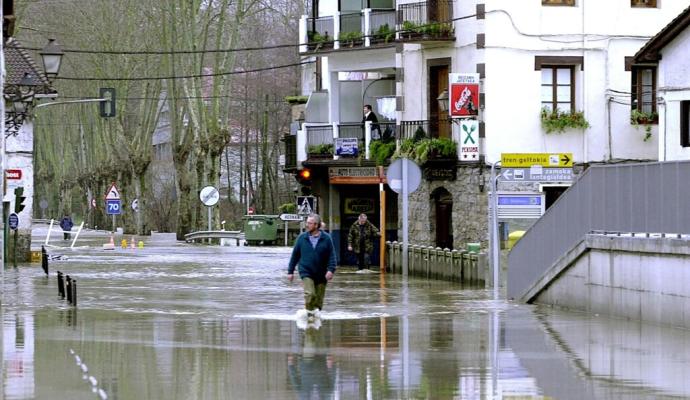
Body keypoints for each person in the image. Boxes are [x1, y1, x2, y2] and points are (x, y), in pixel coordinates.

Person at [288, 213, 337, 319]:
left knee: (318, 300)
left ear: (316, 225)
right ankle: (310, 316)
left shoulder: (327, 238)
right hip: (306, 271)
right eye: (307, 223)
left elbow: (332, 256)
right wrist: (290, 271)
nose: (307, 225)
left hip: (321, 273)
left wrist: (331, 270)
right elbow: (295, 255)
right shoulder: (301, 238)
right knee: (310, 294)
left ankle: (315, 321)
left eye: (309, 223)